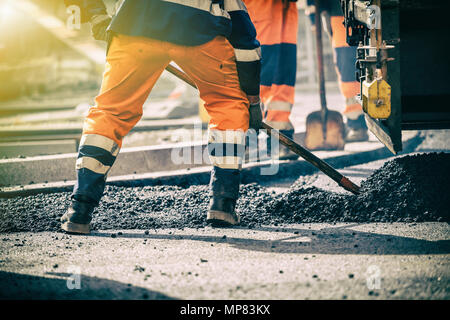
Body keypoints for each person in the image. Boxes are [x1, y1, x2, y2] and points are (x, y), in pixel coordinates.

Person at [61, 0, 263, 234]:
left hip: (136, 23)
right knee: (227, 104)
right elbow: (243, 33)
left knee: (110, 111)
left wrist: (95, 15)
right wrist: (251, 97)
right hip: (199, 28)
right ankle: (223, 205)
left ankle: (80, 209)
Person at [243, 0, 300, 160]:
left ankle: (279, 134)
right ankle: (245, 140)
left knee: (283, 76)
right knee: (258, 72)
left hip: (285, 9)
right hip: (258, 8)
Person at [306, 0, 369, 141]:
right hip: (341, 13)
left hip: (370, 10)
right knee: (348, 70)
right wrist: (316, 15)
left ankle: (360, 122)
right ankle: (356, 123)